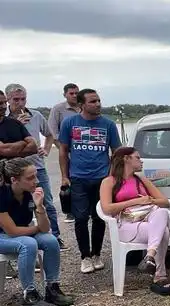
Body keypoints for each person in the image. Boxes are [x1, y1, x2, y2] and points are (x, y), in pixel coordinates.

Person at [58, 88, 122, 274]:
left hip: (102, 178)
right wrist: (64, 176)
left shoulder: (108, 125)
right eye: (93, 101)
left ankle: (96, 254)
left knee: (99, 217)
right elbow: (63, 151)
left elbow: (116, 152)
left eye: (99, 100)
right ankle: (85, 256)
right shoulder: (70, 123)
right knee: (80, 218)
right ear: (81, 105)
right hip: (78, 177)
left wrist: (111, 176)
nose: (98, 104)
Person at [100, 148, 170, 295]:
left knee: (161, 212)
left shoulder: (141, 179)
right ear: (126, 159)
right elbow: (107, 208)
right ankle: (160, 276)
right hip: (127, 225)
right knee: (164, 231)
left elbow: (165, 202)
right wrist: (137, 201)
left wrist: (149, 201)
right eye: (137, 157)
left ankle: (149, 256)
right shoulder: (109, 182)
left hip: (148, 220)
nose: (141, 161)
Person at [0, 157, 73, 306]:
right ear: (14, 180)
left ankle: (52, 288)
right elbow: (11, 231)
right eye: (30, 178)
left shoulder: (30, 193)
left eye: (36, 175)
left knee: (51, 241)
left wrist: (39, 206)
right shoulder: (2, 195)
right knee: (28, 243)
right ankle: (30, 294)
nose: (36, 180)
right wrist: (36, 229)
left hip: (22, 232)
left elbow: (45, 228)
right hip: (3, 236)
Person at [5, 83, 67, 251]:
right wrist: (14, 123)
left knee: (46, 202)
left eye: (23, 99)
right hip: (13, 168)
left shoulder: (36, 115)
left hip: (37, 166)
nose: (20, 103)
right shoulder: (5, 120)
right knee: (13, 204)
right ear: (8, 99)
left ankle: (55, 237)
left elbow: (49, 135)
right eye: (16, 99)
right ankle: (17, 238)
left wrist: (46, 149)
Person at [48, 83, 81, 223]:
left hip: (83, 151)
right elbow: (53, 131)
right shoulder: (58, 109)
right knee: (67, 179)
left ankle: (87, 208)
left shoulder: (84, 106)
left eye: (76, 93)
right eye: (71, 93)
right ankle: (70, 212)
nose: (74, 95)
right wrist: (62, 148)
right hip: (66, 150)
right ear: (65, 94)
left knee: (82, 179)